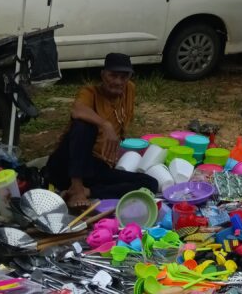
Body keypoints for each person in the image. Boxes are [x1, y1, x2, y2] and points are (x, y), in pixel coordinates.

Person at [45, 53, 158, 207]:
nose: (118, 82)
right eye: (113, 75)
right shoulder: (90, 93)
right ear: (103, 75)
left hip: (95, 168)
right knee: (84, 125)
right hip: (68, 164)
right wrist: (106, 125)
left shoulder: (129, 89)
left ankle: (88, 192)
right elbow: (77, 110)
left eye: (124, 77)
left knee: (149, 183)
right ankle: (76, 187)